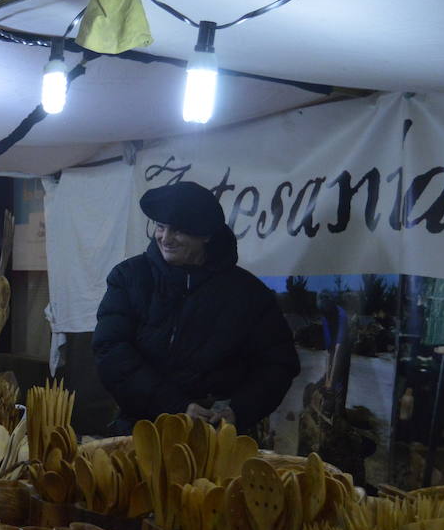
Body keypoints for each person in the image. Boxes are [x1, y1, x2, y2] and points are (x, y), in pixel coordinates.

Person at [93, 180, 299, 435]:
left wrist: (240, 410)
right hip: (142, 430)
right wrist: (175, 406)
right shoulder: (129, 277)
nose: (165, 238)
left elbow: (278, 362)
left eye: (178, 231)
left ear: (206, 235)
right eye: (160, 226)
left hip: (217, 434)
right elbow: (111, 350)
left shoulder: (248, 293)